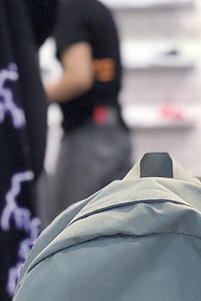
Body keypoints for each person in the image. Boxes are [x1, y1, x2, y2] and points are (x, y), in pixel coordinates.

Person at [44, 0, 133, 219]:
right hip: (114, 131)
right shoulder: (95, 8)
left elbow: (78, 78)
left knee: (67, 225)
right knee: (114, 224)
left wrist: (32, 96)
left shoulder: (70, 9)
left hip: (87, 137)